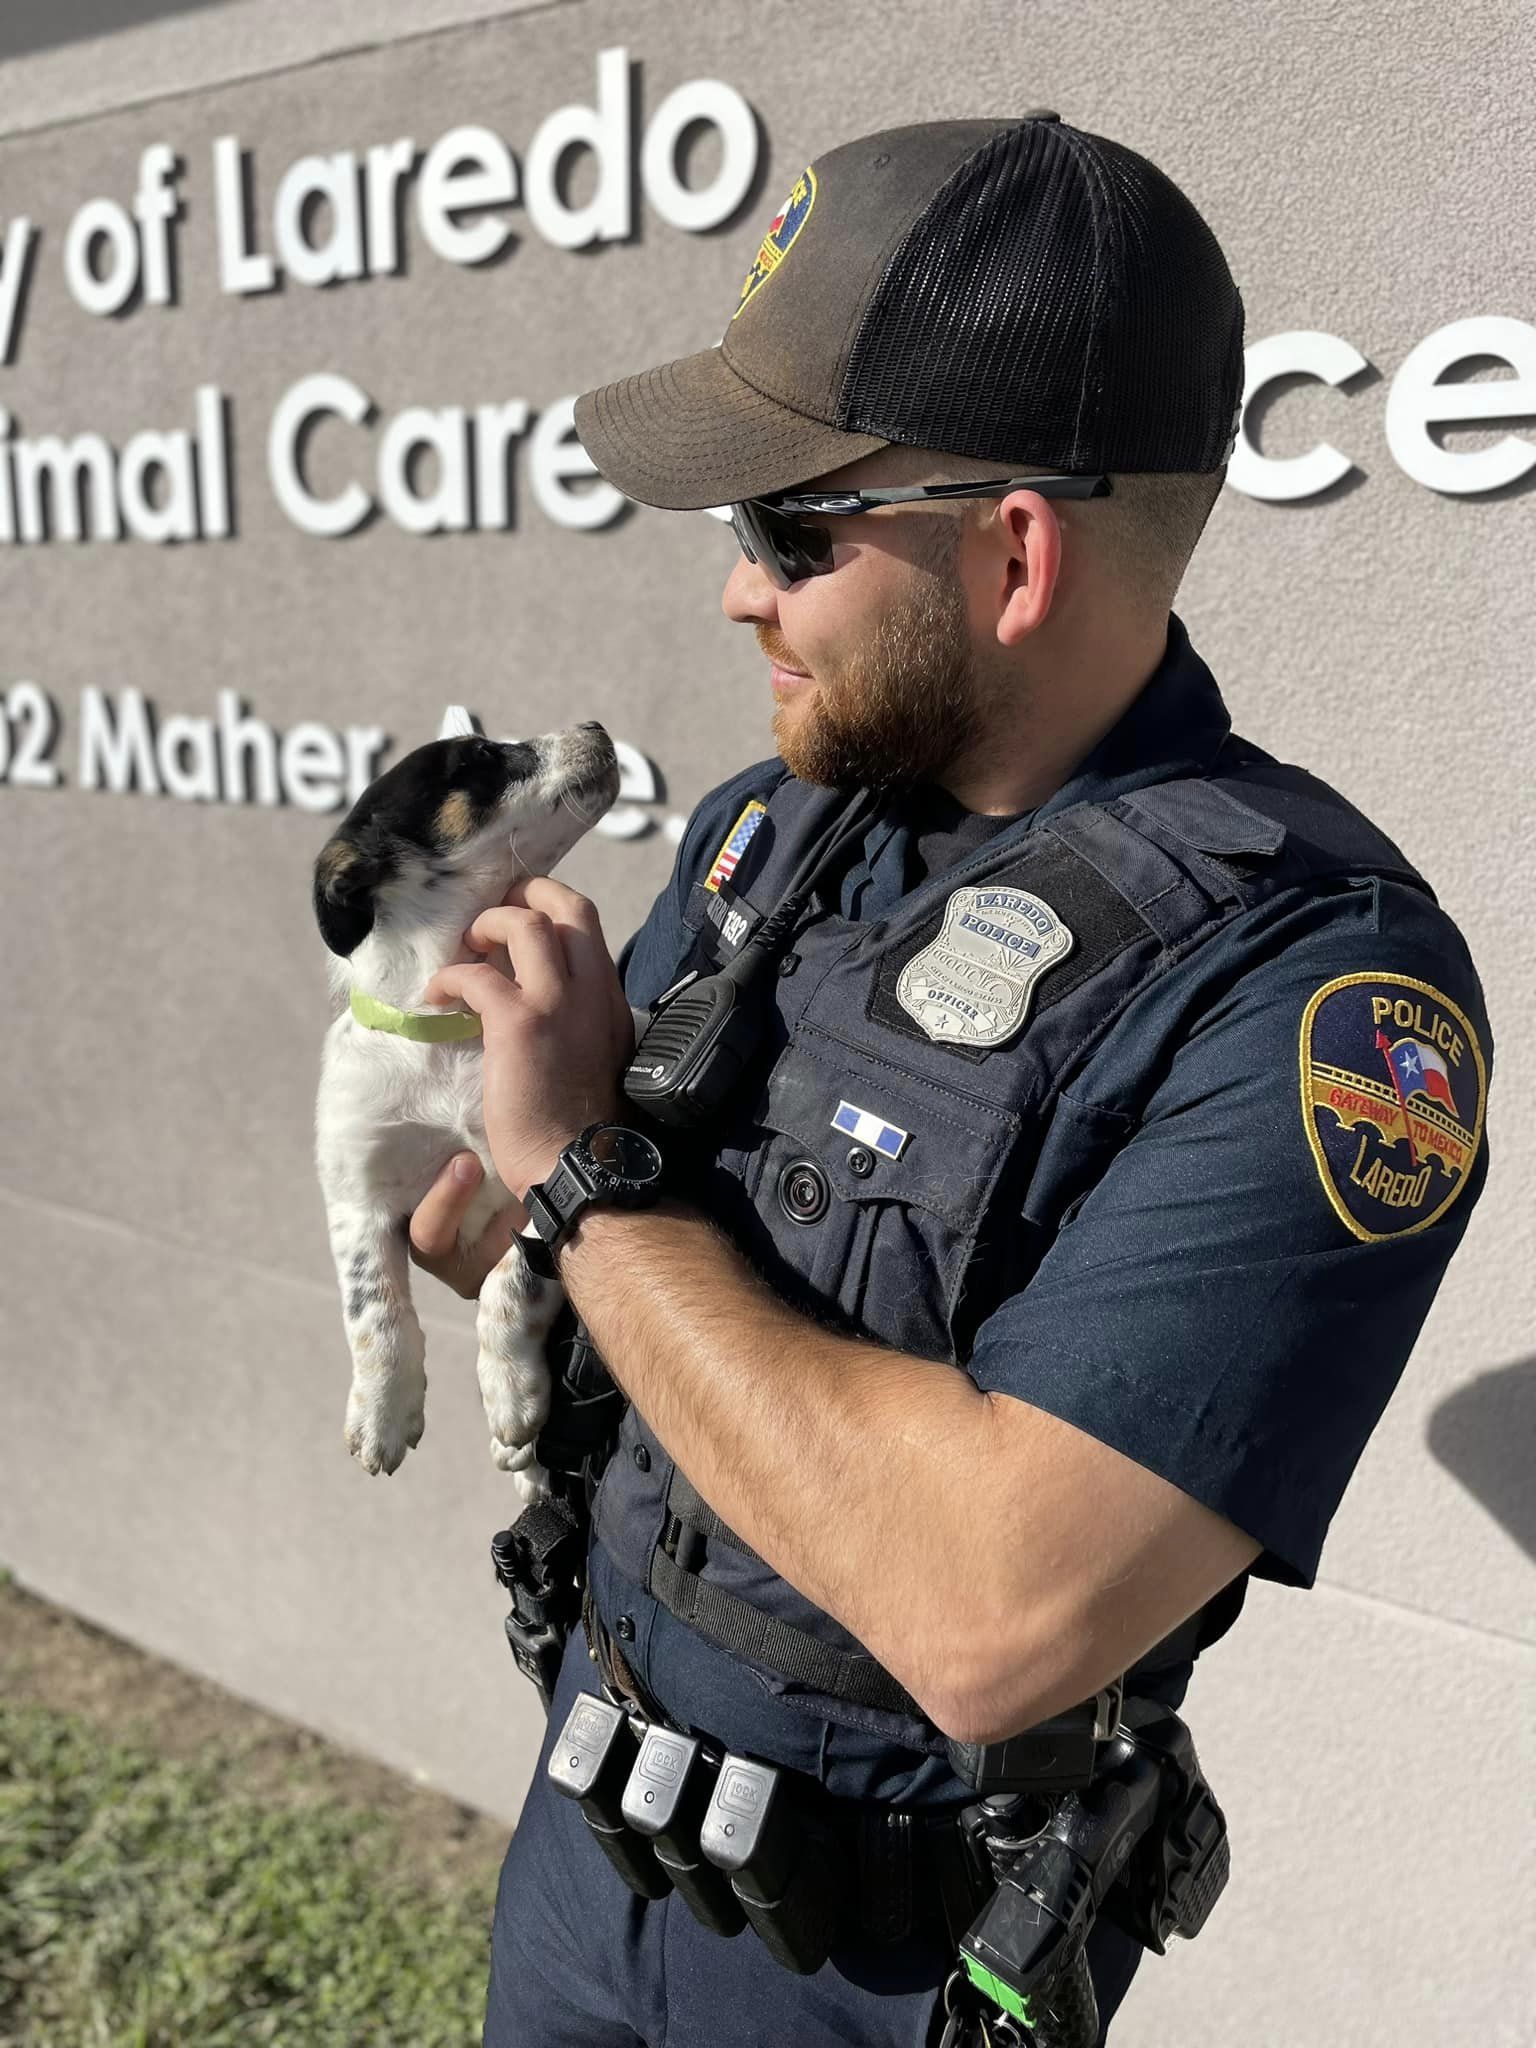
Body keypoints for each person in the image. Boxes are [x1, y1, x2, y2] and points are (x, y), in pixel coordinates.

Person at [406, 115, 1492, 2048]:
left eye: (788, 533)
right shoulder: (776, 838)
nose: (739, 594)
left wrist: (576, 1171)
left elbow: (998, 1617)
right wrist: (472, 1131)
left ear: (1013, 552)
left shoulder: (1317, 993)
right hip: (589, 1851)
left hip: (872, 1971)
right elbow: (536, 1253)